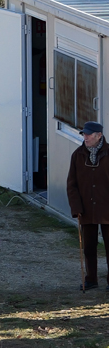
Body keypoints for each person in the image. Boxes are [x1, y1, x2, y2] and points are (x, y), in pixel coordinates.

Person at [67, 121, 109, 291]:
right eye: (84, 134)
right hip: (86, 209)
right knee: (89, 247)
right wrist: (76, 207)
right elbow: (72, 185)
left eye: (88, 134)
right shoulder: (78, 155)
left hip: (107, 208)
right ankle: (91, 279)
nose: (85, 137)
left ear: (99, 136)